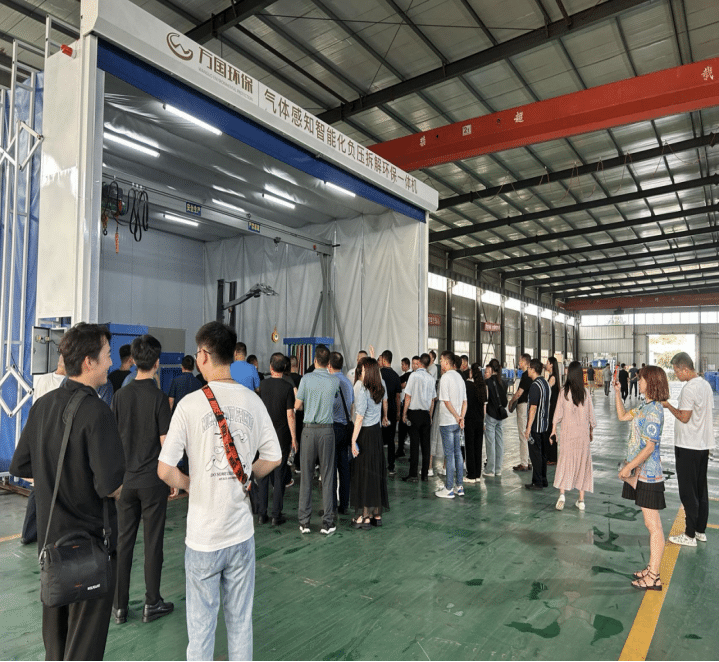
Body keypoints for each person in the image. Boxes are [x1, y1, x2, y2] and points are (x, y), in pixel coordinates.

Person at [157, 321, 282, 661]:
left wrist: (190, 484)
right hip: (240, 534)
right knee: (240, 623)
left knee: (201, 629)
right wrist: (247, 476)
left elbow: (165, 469)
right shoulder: (253, 401)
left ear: (203, 356)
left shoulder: (189, 405)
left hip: (203, 537)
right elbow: (274, 456)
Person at [10, 323, 125, 661]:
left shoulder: (43, 406)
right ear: (89, 362)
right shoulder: (98, 413)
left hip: (51, 546)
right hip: (89, 548)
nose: (110, 363)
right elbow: (111, 487)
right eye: (106, 355)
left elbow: (21, 466)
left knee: (56, 645)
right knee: (84, 646)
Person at [112, 335, 175, 625]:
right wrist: (171, 476)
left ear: (134, 361)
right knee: (153, 543)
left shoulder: (120, 396)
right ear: (157, 362)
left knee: (123, 543)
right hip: (152, 481)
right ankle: (152, 603)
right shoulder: (159, 398)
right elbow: (165, 443)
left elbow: (113, 439)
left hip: (125, 482)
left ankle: (120, 607)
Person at [615, 365, 669, 590]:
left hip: (649, 474)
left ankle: (654, 577)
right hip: (640, 472)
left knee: (653, 525)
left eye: (642, 379)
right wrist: (617, 392)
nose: (639, 381)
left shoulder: (654, 410)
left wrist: (629, 467)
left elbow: (649, 447)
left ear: (652, 382)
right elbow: (622, 416)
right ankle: (651, 567)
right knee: (650, 523)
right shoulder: (644, 407)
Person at [662, 352, 713, 546]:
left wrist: (668, 406)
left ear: (684, 369)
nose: (676, 375)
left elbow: (684, 417)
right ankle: (700, 530)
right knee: (700, 490)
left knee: (687, 491)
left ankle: (689, 534)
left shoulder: (689, 388)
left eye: (676, 371)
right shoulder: (705, 385)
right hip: (702, 445)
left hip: (688, 446)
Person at [294, 345, 340, 535]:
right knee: (327, 476)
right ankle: (327, 522)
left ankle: (304, 522)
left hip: (308, 431)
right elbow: (334, 398)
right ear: (328, 363)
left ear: (314, 360)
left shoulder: (306, 379)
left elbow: (297, 405)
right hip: (327, 432)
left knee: (306, 476)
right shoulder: (334, 380)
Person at [256, 353, 297, 526]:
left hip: (263, 436)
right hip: (281, 436)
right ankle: (276, 515)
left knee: (263, 475)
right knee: (279, 475)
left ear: (271, 367)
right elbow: (290, 415)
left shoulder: (262, 385)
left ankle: (261, 513)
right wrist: (294, 438)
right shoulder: (287, 388)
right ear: (285, 368)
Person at [551, 361, 596, 510]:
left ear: (569, 374)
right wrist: (591, 432)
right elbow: (591, 416)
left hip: (567, 435)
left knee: (565, 463)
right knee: (583, 465)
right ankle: (581, 501)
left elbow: (557, 414)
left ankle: (562, 495)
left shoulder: (564, 392)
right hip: (582, 436)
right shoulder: (585, 393)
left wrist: (553, 430)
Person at [349, 358, 389, 528]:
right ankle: (376, 515)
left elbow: (359, 417)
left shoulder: (363, 389)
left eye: (364, 370)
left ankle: (364, 516)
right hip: (376, 434)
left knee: (364, 474)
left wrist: (353, 440)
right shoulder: (380, 387)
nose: (361, 372)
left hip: (365, 434)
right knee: (375, 472)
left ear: (369, 372)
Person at [435, 351, 468, 499]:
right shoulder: (460, 377)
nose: (440, 362)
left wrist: (456, 416)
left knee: (449, 455)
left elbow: (446, 401)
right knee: (458, 454)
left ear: (447, 362)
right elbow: (465, 402)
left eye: (441, 360)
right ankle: (459, 486)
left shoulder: (445, 378)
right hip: (457, 422)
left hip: (448, 421)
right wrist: (461, 417)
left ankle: (448, 488)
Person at [401, 353, 436, 483]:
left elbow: (408, 397)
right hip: (426, 414)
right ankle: (425, 474)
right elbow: (432, 400)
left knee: (414, 445)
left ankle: (413, 475)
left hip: (414, 414)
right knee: (426, 446)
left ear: (420, 363)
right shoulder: (431, 378)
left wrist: (404, 414)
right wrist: (430, 416)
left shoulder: (413, 376)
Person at [328, 351, 354, 515]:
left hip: (333, 428)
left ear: (329, 365)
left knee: (330, 468)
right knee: (344, 468)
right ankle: (344, 504)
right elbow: (352, 406)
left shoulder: (329, 382)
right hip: (345, 428)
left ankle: (331, 505)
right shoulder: (348, 383)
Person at [524, 358, 551, 490]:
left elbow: (533, 408)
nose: (527, 370)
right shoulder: (545, 383)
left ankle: (538, 482)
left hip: (536, 426)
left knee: (535, 455)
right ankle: (543, 479)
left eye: (529, 368)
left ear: (533, 369)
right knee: (542, 454)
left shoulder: (535, 386)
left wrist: (528, 428)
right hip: (544, 425)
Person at [378, 350, 402, 476]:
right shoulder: (396, 376)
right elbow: (398, 397)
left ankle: (379, 465)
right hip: (392, 410)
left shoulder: (379, 374)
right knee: (391, 439)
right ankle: (391, 466)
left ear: (383, 360)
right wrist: (398, 412)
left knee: (379, 438)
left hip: (379, 411)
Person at [508, 354, 532, 472]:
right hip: (529, 406)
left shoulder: (526, 375)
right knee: (528, 433)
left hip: (523, 405)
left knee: (523, 434)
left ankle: (524, 463)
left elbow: (519, 393)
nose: (519, 363)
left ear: (525, 362)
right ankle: (528, 461)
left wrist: (511, 401)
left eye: (520, 361)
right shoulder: (529, 375)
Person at [484, 359, 507, 477]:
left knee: (490, 443)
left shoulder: (488, 382)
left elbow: (486, 400)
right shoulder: (502, 382)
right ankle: (498, 469)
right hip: (500, 416)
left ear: (491, 369)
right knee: (499, 442)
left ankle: (490, 470)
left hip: (490, 415)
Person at [464, 363, 486, 483]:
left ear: (471, 372)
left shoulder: (467, 385)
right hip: (480, 420)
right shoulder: (482, 387)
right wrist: (483, 421)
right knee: (478, 447)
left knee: (470, 447)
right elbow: (484, 406)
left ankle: (471, 475)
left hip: (469, 419)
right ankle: (477, 474)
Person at [396, 357, 413, 458]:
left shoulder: (408, 375)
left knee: (403, 429)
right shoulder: (407, 375)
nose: (402, 366)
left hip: (406, 406)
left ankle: (401, 450)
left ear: (407, 365)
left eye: (403, 364)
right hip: (407, 405)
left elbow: (401, 385)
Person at [545, 357, 561, 465]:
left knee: (550, 431)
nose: (546, 364)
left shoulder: (553, 378)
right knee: (550, 430)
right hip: (552, 407)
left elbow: (547, 391)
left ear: (551, 364)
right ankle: (551, 456)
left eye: (547, 363)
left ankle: (552, 457)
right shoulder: (553, 376)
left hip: (552, 407)